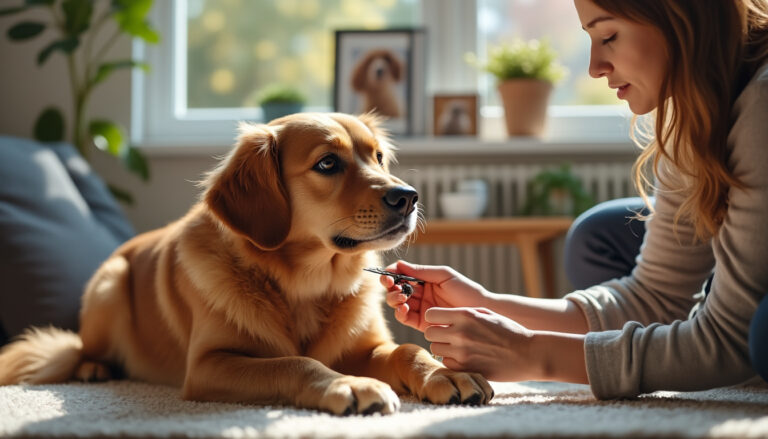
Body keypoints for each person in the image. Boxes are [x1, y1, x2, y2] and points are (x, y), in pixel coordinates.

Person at [381, 0, 768, 399]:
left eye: (609, 36)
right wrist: (488, 304)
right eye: (591, 39)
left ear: (684, 15)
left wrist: (533, 353)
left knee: (760, 333)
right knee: (597, 235)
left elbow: (728, 341)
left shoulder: (761, 105)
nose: (594, 67)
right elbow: (656, 297)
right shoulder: (692, 115)